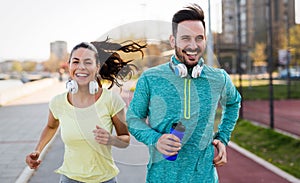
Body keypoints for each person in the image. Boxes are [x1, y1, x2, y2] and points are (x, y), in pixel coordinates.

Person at [126, 4, 241, 183]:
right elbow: (133, 119)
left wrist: (223, 138)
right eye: (186, 38)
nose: (193, 46)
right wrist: (156, 139)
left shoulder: (219, 78)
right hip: (160, 178)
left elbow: (234, 103)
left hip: (205, 178)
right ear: (173, 41)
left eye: (199, 38)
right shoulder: (150, 78)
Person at [26, 39, 146, 183]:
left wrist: (112, 139)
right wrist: (37, 151)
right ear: (69, 66)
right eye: (75, 62)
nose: (81, 67)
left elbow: (125, 139)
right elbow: (51, 126)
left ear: (97, 67)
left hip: (105, 179)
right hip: (69, 179)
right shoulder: (58, 102)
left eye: (88, 62)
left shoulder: (111, 101)